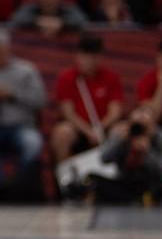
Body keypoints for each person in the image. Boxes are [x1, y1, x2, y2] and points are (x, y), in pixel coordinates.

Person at [0, 29, 47, 195]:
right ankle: (1, 187)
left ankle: (20, 185)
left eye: (0, 52)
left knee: (33, 144)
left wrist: (14, 95)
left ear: (8, 49)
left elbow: (41, 101)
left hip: (22, 125)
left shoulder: (26, 71)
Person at [51, 34, 124, 163]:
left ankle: (116, 178)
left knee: (122, 131)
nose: (82, 60)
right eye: (80, 55)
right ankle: (66, 178)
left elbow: (115, 112)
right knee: (62, 133)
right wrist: (89, 132)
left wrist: (99, 128)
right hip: (78, 128)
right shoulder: (67, 78)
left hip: (104, 126)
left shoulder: (111, 77)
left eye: (87, 57)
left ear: (98, 58)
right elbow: (69, 114)